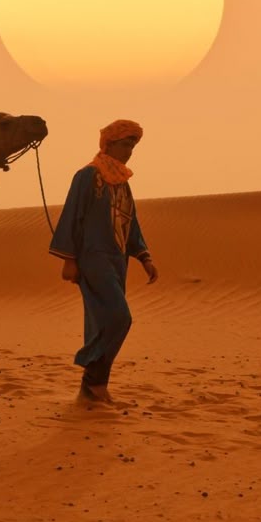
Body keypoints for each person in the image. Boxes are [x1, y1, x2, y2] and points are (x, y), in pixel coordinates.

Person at [50, 118, 158, 404]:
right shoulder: (87, 176)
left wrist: (144, 257)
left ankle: (95, 387)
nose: (129, 151)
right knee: (119, 317)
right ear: (108, 144)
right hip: (93, 258)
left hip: (117, 260)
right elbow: (72, 215)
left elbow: (129, 221)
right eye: (125, 144)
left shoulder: (122, 182)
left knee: (105, 320)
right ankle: (91, 376)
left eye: (133, 146)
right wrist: (69, 260)